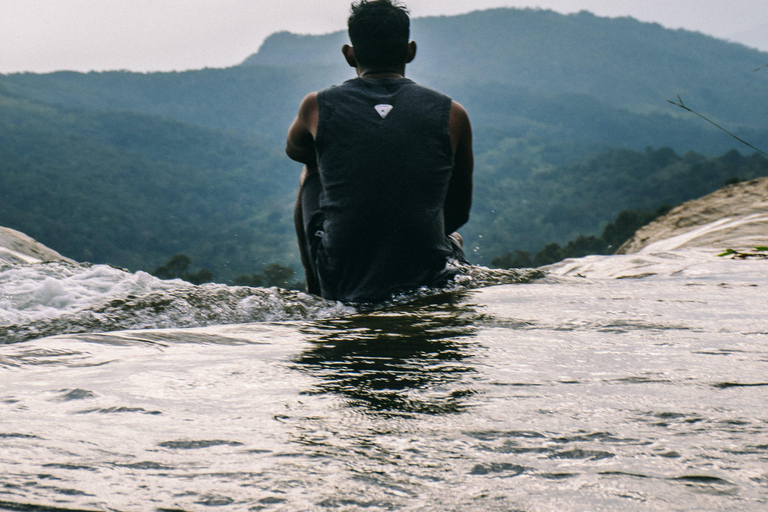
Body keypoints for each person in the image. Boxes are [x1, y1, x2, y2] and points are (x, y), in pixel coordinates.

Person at [286, 0, 473, 303]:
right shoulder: (452, 113)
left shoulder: (316, 106)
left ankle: (317, 291)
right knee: (451, 233)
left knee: (312, 167)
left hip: (346, 274)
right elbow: (459, 210)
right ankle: (446, 256)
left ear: (350, 54)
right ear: (410, 50)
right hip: (423, 269)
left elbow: (295, 151)